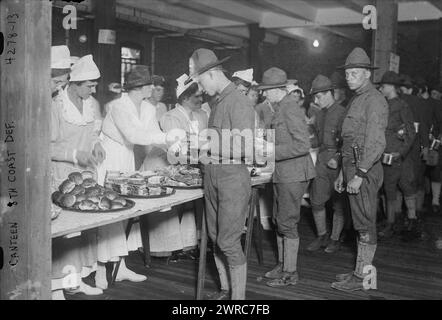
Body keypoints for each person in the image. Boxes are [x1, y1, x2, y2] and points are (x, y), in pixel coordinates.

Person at [95, 65, 180, 290]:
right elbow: (134, 135)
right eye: (150, 84)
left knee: (124, 210)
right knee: (108, 212)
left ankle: (120, 267)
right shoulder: (118, 106)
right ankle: (100, 269)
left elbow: (151, 137)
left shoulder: (148, 108)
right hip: (109, 157)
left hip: (127, 157)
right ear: (140, 87)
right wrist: (168, 136)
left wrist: (173, 143)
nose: (154, 87)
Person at [188, 48, 256, 300]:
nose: (200, 88)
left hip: (232, 179)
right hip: (214, 175)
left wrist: (203, 144)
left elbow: (245, 147)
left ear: (213, 73)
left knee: (228, 241)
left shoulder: (239, 102)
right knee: (216, 237)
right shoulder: (219, 102)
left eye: (201, 81)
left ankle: (238, 300)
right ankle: (226, 290)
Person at [332, 48, 388, 292]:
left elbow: (376, 143)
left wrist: (359, 174)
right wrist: (343, 174)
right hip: (352, 168)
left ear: (367, 74)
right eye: (348, 73)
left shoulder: (374, 100)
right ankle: (358, 271)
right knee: (359, 222)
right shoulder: (357, 98)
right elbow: (348, 141)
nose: (349, 77)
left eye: (355, 73)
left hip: (364, 171)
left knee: (365, 223)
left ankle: (364, 278)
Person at [51, 53, 105, 299]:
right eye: (90, 85)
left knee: (82, 233)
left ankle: (76, 280)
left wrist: (96, 144)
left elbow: (92, 132)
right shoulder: (56, 106)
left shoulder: (91, 104)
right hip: (62, 177)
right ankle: (55, 288)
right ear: (74, 84)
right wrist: (75, 155)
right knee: (64, 236)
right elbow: (45, 146)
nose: (93, 89)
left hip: (86, 177)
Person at [259, 67, 316, 287]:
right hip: (283, 173)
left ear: (276, 90)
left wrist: (271, 151)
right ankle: (283, 264)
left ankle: (290, 272)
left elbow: (303, 145)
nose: (264, 94)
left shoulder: (290, 108)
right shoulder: (280, 107)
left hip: (294, 174)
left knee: (287, 222)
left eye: (266, 90)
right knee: (278, 220)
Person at [143, 74, 208, 261]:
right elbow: (176, 150)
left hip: (185, 164)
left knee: (188, 203)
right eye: (196, 96)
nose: (201, 99)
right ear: (185, 98)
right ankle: (164, 248)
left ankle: (186, 244)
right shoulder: (171, 117)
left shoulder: (200, 114)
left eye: (201, 95)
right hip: (162, 165)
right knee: (168, 206)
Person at [307, 75, 346, 254]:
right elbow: (318, 139)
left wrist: (337, 158)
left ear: (330, 93)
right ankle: (322, 235)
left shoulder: (342, 112)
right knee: (316, 200)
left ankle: (335, 238)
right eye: (315, 97)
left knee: (338, 203)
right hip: (322, 159)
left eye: (319, 96)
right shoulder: (319, 114)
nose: (316, 100)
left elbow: (347, 142)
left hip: (337, 163)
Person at [377, 71, 418, 238]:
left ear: (392, 87)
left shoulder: (401, 105)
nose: (381, 88)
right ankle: (391, 222)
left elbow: (411, 131)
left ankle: (410, 220)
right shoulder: (383, 104)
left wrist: (400, 153)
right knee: (389, 190)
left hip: (397, 156)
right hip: (386, 155)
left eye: (384, 86)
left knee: (404, 187)